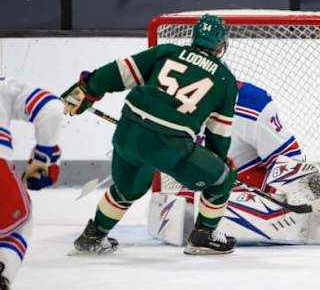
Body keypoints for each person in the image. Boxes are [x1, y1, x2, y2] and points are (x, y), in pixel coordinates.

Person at [62, 14, 239, 255]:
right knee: (222, 179)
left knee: (128, 189)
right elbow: (219, 134)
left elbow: (118, 71)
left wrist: (86, 90)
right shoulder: (225, 79)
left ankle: (93, 236)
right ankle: (203, 235)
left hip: (128, 132)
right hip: (170, 147)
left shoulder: (166, 52)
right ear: (221, 45)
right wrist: (217, 162)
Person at [148, 81, 320, 246]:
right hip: (205, 184)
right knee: (186, 209)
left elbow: (289, 160)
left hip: (252, 185)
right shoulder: (175, 103)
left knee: (301, 183)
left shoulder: (250, 102)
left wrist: (294, 192)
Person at [0, 78, 63, 290]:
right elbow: (52, 108)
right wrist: (44, 155)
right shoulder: (4, 86)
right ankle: (4, 268)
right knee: (17, 226)